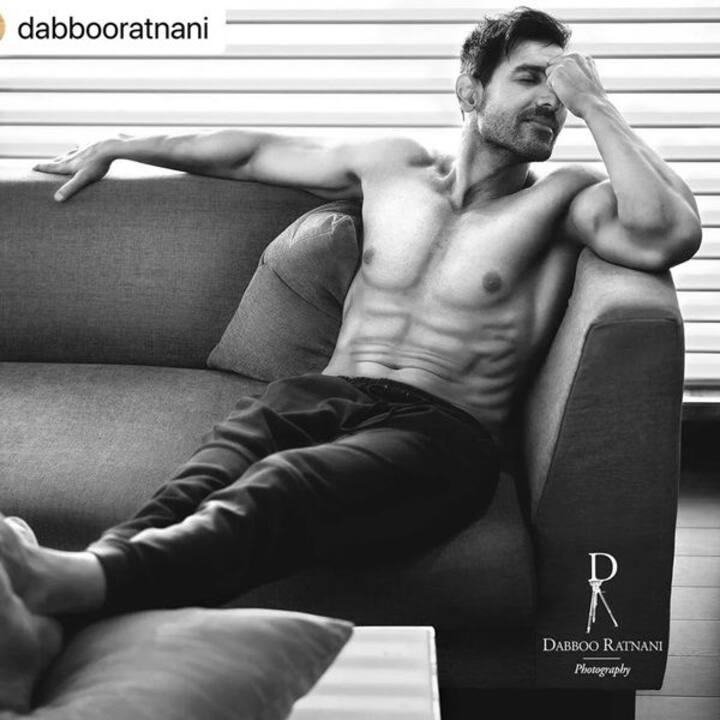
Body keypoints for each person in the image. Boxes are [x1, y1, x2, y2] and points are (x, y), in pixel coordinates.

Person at [0, 7, 702, 712]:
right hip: (321, 394)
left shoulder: (564, 200)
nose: (552, 98)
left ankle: (72, 590)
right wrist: (123, 145)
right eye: (530, 78)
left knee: (281, 485)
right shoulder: (393, 167)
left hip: (442, 431)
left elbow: (667, 232)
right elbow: (248, 153)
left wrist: (597, 104)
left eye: (562, 84)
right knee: (193, 487)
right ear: (470, 89)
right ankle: (64, 614)